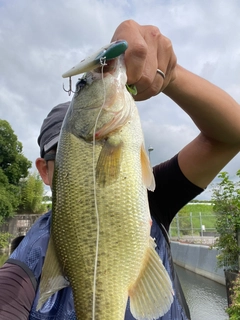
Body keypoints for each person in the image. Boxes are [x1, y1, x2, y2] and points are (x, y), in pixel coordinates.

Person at [0, 19, 240, 320]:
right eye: (60, 153)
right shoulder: (22, 269)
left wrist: (173, 77)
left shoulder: (153, 198)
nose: (73, 158)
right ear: (45, 171)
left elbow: (231, 134)